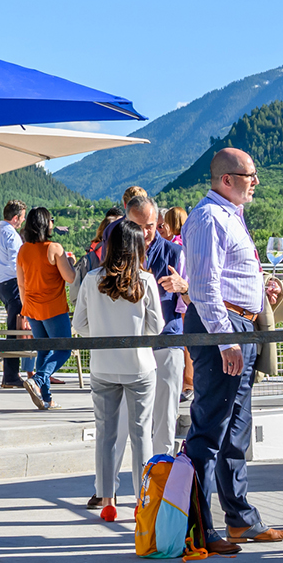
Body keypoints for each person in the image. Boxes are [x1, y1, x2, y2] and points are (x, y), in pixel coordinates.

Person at [180, 148, 283, 554]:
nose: (256, 181)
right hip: (222, 328)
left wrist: (262, 291)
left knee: (236, 431)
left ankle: (240, 520)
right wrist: (226, 340)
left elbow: (224, 280)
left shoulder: (229, 216)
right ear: (226, 180)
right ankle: (199, 527)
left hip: (237, 323)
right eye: (249, 175)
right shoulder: (210, 218)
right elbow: (205, 287)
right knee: (210, 432)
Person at [72, 219, 163, 511]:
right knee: (141, 435)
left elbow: (79, 325)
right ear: (138, 247)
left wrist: (101, 334)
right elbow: (157, 327)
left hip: (102, 366)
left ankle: (108, 499)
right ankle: (142, 501)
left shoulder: (91, 280)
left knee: (106, 434)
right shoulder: (146, 281)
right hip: (139, 366)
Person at [126, 194, 187, 451]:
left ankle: (161, 482)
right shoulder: (120, 257)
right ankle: (138, 482)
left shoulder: (176, 253)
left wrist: (183, 287)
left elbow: (195, 299)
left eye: (150, 225)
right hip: (131, 349)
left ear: (159, 221)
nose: (146, 232)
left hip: (167, 344)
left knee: (165, 422)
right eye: (138, 226)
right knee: (134, 424)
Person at [16, 206, 78, 410]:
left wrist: (25, 309)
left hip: (32, 308)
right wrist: (70, 261)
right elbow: (70, 277)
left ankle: (47, 399)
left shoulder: (23, 250)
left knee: (43, 350)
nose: (53, 222)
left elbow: (21, 283)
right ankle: (38, 380)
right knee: (64, 349)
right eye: (51, 219)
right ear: (45, 223)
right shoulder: (55, 248)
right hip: (53, 308)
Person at [0, 200, 27, 388]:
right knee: (15, 331)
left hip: (0, 284)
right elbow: (16, 263)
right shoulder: (12, 236)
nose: (23, 222)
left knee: (12, 328)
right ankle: (10, 376)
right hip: (13, 284)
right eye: (22, 218)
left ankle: (11, 374)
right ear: (16, 218)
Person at [162, 205, 194, 397]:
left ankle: (187, 383)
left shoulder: (175, 245)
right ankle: (187, 382)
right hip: (188, 298)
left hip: (181, 300)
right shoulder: (189, 242)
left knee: (184, 345)